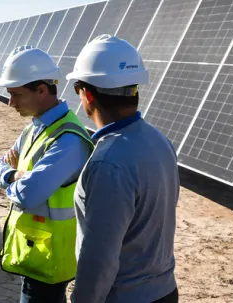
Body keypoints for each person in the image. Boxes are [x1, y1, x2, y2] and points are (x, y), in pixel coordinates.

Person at [67, 35, 179, 303]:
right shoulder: (159, 140)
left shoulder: (108, 163)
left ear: (88, 94)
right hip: (164, 290)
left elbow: (100, 259)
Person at [0, 46, 93, 303]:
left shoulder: (68, 139)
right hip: (35, 251)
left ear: (42, 90)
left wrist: (12, 177)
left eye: (16, 94)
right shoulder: (34, 128)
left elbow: (29, 194)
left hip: (51, 259)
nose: (10, 103)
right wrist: (14, 175)